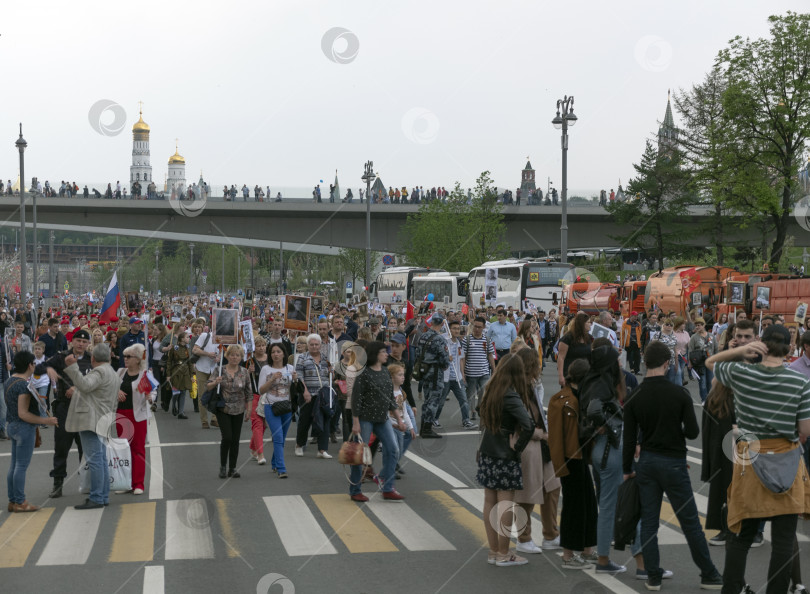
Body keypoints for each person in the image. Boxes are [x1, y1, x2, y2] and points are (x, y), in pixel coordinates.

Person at [708, 326, 810, 594]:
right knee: (784, 540)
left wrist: (740, 350)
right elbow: (805, 431)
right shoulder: (800, 382)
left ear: (761, 345)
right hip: (787, 462)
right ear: (790, 347)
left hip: (750, 461)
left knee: (741, 536)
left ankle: (731, 589)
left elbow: (710, 362)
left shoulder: (741, 373)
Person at [623, 341, 723, 591]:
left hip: (646, 463)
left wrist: (627, 468)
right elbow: (692, 432)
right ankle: (708, 574)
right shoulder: (679, 394)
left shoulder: (634, 395)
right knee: (689, 522)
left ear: (645, 362)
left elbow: (629, 439)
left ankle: (653, 576)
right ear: (668, 364)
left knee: (649, 522)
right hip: (674, 463)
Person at [476, 353, 535, 566]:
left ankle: (493, 552)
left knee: (489, 501)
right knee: (505, 504)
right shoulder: (511, 395)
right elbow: (528, 425)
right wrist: (517, 446)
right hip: (505, 455)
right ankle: (504, 553)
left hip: (487, 451)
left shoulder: (489, 388)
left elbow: (478, 411)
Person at [512, 348, 562, 555]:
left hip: (541, 443)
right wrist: (541, 434)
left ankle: (551, 534)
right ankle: (524, 538)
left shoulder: (530, 386)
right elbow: (521, 423)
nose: (539, 368)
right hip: (527, 444)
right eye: (537, 364)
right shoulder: (516, 388)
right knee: (527, 493)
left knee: (552, 486)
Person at [64, 344, 121, 510]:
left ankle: (96, 497)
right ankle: (102, 496)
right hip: (103, 419)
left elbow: (85, 385)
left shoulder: (100, 371)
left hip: (92, 420)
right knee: (101, 460)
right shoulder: (112, 372)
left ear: (93, 358)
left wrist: (72, 367)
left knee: (95, 460)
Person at [36, 329, 92, 498]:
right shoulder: (61, 357)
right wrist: (48, 369)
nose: (81, 344)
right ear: (72, 341)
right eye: (78, 341)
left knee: (86, 448)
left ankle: (87, 482)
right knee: (61, 447)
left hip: (84, 409)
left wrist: (79, 389)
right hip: (65, 408)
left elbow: (99, 381)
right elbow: (38, 367)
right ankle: (58, 483)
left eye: (84, 342)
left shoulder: (91, 359)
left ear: (87, 344)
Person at [348, 341, 407, 502]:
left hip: (382, 418)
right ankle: (355, 490)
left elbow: (390, 399)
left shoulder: (386, 372)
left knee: (393, 449)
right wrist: (355, 422)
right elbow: (356, 399)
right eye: (383, 351)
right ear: (375, 354)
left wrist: (399, 419)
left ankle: (388, 487)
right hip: (365, 419)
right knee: (360, 455)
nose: (386, 354)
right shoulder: (364, 373)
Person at [5, 351, 58, 512]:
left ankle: (13, 500)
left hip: (12, 425)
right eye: (34, 363)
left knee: (14, 465)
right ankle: (20, 502)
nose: (35, 366)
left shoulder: (10, 380)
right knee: (20, 466)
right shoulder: (23, 385)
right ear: (30, 365)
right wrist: (46, 421)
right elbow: (24, 413)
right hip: (23, 427)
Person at [206, 344, 252, 478]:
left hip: (239, 409)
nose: (234, 357)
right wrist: (216, 382)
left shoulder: (244, 372)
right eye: (232, 354)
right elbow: (207, 387)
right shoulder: (219, 370)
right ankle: (223, 466)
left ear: (241, 357)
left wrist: (249, 409)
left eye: (237, 355)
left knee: (235, 440)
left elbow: (249, 393)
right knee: (227, 437)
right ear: (227, 356)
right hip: (223, 407)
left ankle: (232, 468)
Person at [116, 343, 155, 495]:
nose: (125, 359)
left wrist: (150, 397)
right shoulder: (119, 372)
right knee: (123, 449)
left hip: (138, 415)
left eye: (129, 357)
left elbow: (153, 392)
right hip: (121, 414)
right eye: (124, 356)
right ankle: (125, 483)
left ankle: (138, 483)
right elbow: (110, 387)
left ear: (138, 359)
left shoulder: (145, 375)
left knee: (137, 450)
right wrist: (116, 391)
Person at [258, 343, 296, 478]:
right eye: (273, 352)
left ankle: (274, 462)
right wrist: (273, 379)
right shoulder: (266, 369)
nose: (275, 354)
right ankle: (281, 468)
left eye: (278, 351)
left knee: (282, 438)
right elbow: (260, 390)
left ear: (284, 354)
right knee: (278, 437)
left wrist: (296, 380)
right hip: (271, 406)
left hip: (286, 406)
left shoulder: (290, 368)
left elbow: (295, 388)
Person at [294, 334, 332, 458]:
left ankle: (322, 449)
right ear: (308, 345)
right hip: (308, 394)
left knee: (324, 421)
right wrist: (305, 391)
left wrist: (332, 372)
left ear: (320, 345)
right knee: (305, 420)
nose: (314, 347)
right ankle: (299, 445)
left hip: (323, 395)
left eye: (316, 344)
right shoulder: (302, 358)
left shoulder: (326, 359)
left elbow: (330, 376)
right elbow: (299, 375)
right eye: (311, 344)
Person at [415, 314, 450, 438]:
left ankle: (424, 425)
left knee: (427, 398)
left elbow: (417, 353)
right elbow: (444, 358)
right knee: (434, 400)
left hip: (424, 370)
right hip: (435, 372)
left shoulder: (423, 336)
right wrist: (445, 364)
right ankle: (427, 428)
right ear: (441, 324)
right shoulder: (440, 339)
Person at [462, 316, 495, 421]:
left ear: (484, 327)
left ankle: (480, 407)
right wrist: (462, 373)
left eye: (479, 327)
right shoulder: (467, 340)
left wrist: (494, 369)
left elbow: (490, 355)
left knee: (484, 393)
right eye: (475, 326)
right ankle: (472, 412)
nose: (477, 329)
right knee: (470, 395)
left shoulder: (487, 339)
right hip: (470, 372)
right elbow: (463, 358)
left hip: (484, 372)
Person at [192, 324, 220, 429]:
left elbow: (224, 352)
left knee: (216, 394)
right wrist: (208, 354)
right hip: (202, 368)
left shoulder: (223, 339)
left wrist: (219, 357)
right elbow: (195, 350)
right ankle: (204, 421)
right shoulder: (205, 335)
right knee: (202, 394)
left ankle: (214, 418)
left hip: (214, 369)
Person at [247, 337, 270, 465]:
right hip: (253, 394)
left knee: (264, 425)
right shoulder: (249, 360)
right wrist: (247, 371)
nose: (261, 348)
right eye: (258, 345)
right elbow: (241, 376)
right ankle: (260, 454)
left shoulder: (270, 359)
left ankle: (253, 448)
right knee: (257, 423)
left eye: (263, 345)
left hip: (268, 394)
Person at [557, 312, 593, 386]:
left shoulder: (589, 338)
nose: (590, 325)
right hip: (570, 375)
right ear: (582, 324)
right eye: (588, 322)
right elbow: (561, 357)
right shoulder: (568, 338)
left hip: (585, 375)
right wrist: (561, 376)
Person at [687, 317, 717, 403]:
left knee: (710, 381)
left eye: (699, 325)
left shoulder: (711, 336)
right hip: (699, 363)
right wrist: (690, 362)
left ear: (704, 325)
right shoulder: (694, 337)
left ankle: (710, 398)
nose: (697, 327)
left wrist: (717, 360)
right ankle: (704, 399)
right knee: (702, 381)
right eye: (696, 325)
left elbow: (716, 349)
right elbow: (691, 350)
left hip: (710, 362)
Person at [166, 331, 193, 419]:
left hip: (185, 372)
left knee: (183, 392)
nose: (189, 339)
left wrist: (192, 375)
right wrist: (168, 374)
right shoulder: (174, 348)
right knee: (176, 392)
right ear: (182, 339)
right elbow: (169, 361)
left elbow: (190, 362)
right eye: (187, 337)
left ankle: (181, 412)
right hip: (176, 371)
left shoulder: (188, 348)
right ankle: (174, 406)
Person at [620, 311, 642, 375]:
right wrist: (621, 344)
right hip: (628, 342)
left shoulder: (638, 324)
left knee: (637, 357)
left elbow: (640, 332)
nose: (636, 318)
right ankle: (632, 368)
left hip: (636, 342)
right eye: (634, 316)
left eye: (636, 316)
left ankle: (636, 370)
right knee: (629, 356)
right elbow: (622, 334)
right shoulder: (625, 323)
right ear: (631, 316)